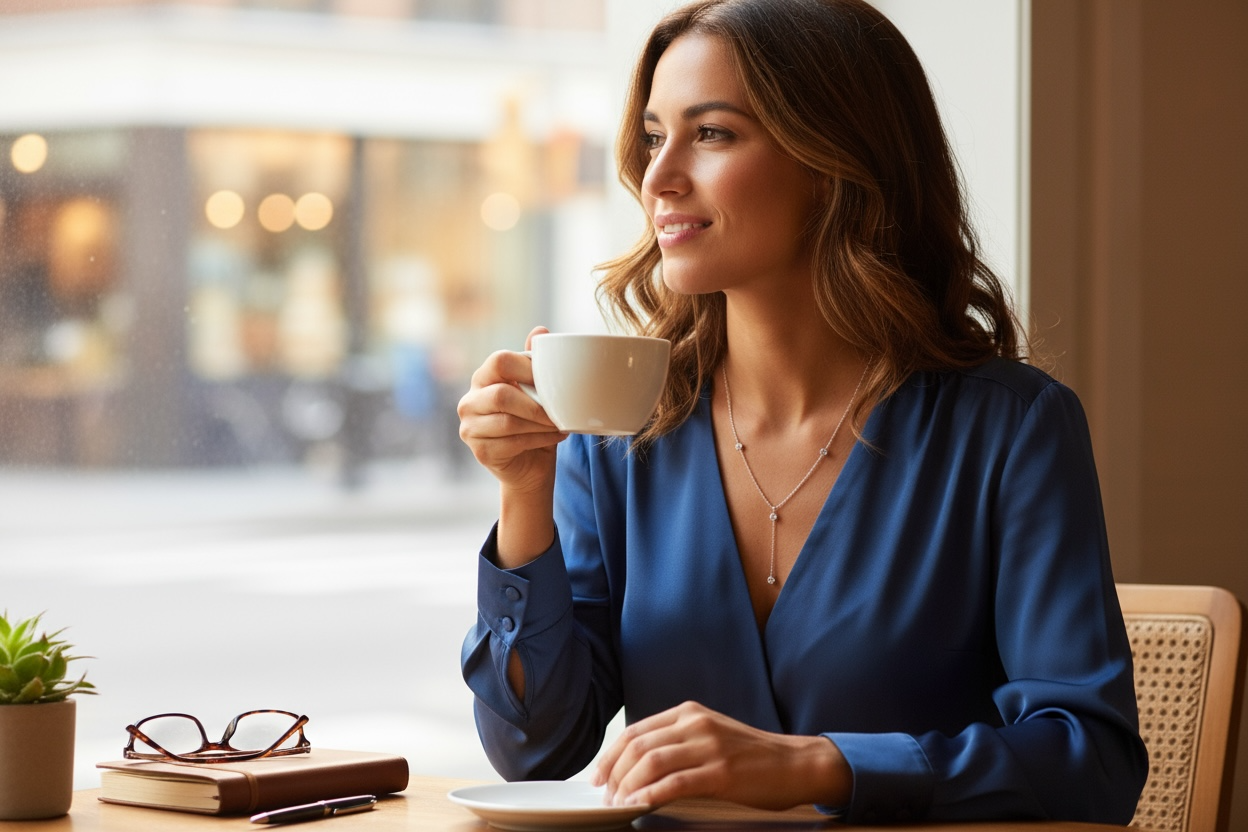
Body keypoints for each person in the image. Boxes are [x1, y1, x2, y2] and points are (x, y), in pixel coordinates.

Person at [456, 0, 1148, 824]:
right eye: (652, 136)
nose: (658, 176)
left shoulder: (1009, 431)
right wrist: (525, 494)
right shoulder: (624, 434)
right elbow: (537, 747)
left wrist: (822, 766)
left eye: (711, 133)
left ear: (835, 159)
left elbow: (1091, 759)